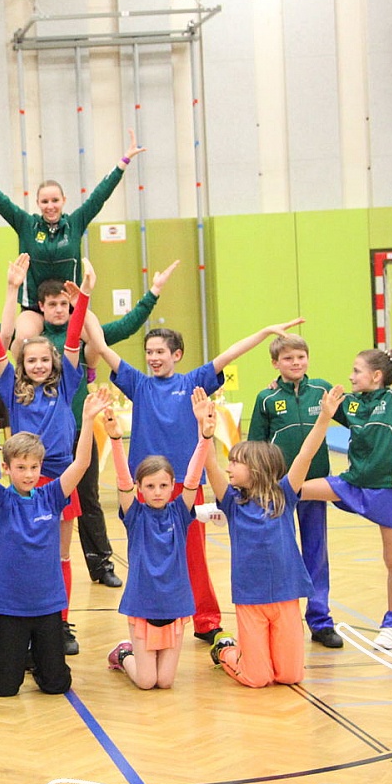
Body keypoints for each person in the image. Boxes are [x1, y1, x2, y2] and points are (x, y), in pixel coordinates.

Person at [83, 276, 303, 644]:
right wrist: (84, 301)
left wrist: (265, 332)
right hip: (145, 491)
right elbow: (102, 347)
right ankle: (149, 616)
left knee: (193, 556)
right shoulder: (138, 384)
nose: (154, 358)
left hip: (186, 490)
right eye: (149, 352)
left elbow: (230, 354)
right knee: (147, 556)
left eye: (160, 351)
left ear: (177, 355)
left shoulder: (194, 382)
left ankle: (206, 621)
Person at [0, 256, 179, 590]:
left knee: (88, 501)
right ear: (40, 307)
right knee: (32, 530)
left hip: (75, 438)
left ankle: (100, 563)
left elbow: (123, 327)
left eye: (65, 304)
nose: (59, 310)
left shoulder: (70, 356)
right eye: (52, 304)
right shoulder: (29, 345)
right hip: (32, 455)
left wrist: (147, 293)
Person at [301, 292, 392, 650]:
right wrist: (283, 384)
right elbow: (311, 392)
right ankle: (231, 504)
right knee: (292, 489)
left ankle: (391, 625)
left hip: (387, 490)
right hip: (352, 484)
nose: (350, 376)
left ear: (376, 376)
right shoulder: (350, 405)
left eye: (356, 371)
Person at [0, 262, 88, 654]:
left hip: (60, 480)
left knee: (60, 555)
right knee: (22, 554)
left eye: (44, 360)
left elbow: (73, 338)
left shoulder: (66, 384)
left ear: (53, 362)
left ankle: (60, 623)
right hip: (23, 482)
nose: (38, 365)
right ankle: (22, 622)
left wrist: (83, 296)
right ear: (22, 364)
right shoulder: (11, 388)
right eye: (31, 360)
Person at [0, 383, 113, 697]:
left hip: (47, 605)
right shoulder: (0, 500)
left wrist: (87, 420)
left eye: (34, 467)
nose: (28, 474)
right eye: (21, 468)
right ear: (6, 468)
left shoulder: (51, 496)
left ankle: (35, 658)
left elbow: (81, 464)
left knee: (56, 685)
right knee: (4, 688)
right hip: (9, 606)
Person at [205, 386, 344, 687]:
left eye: (236, 462)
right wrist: (205, 434)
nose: (229, 467)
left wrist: (324, 418)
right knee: (257, 678)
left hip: (286, 595)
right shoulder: (232, 502)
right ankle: (227, 651)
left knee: (291, 676)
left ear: (257, 468)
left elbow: (305, 455)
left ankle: (252, 654)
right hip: (250, 598)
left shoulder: (285, 494)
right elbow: (210, 466)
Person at [0, 135, 143, 346]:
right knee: (22, 338)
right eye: (45, 201)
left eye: (55, 200)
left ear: (63, 201)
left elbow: (100, 195)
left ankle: (85, 364)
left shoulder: (75, 223)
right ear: (38, 203)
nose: (50, 206)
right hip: (34, 308)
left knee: (96, 338)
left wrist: (123, 162)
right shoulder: (27, 225)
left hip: (70, 305)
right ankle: (21, 369)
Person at [102, 389, 215, 691]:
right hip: (142, 603)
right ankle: (123, 653)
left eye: (164, 485)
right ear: (139, 487)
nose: (157, 492)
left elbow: (193, 478)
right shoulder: (135, 514)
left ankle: (140, 656)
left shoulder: (179, 512)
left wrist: (204, 437)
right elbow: (123, 481)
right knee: (146, 680)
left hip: (175, 603)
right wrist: (116, 440)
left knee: (164, 682)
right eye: (150, 486)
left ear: (171, 485)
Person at [247, 334, 343, 648]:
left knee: (316, 553)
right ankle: (281, 620)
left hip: (314, 486)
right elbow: (256, 446)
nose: (296, 363)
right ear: (275, 363)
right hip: (278, 491)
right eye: (288, 358)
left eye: (301, 357)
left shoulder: (322, 391)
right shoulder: (266, 398)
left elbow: (357, 416)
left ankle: (320, 621)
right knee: (281, 554)